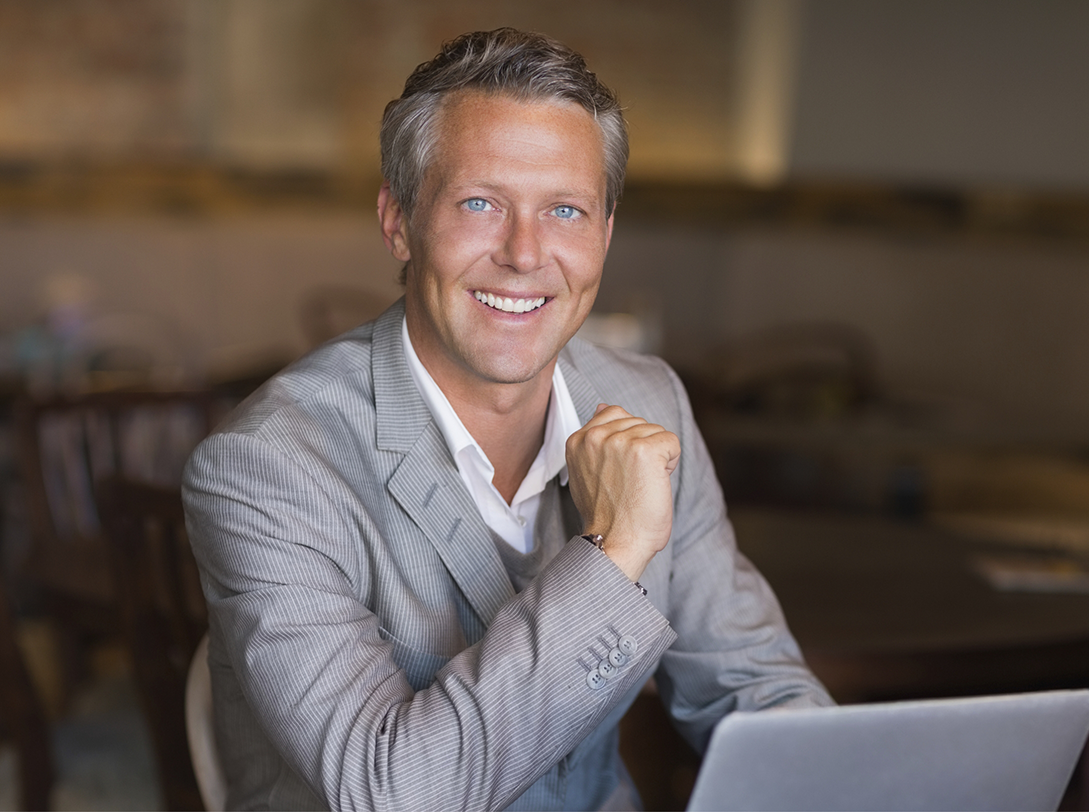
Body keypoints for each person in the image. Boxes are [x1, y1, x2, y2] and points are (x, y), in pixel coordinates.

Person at [183, 28, 831, 810]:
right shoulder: (267, 467)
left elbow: (756, 691)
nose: (526, 253)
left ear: (606, 234)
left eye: (565, 210)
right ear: (398, 220)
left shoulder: (650, 404)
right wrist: (614, 551)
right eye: (481, 203)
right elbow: (394, 794)